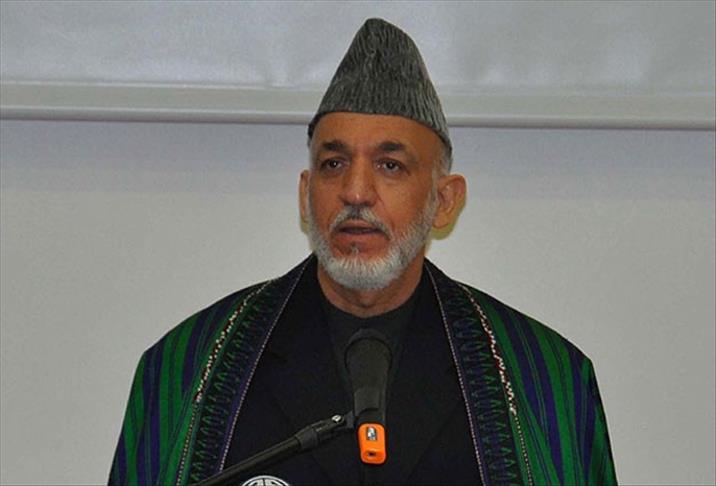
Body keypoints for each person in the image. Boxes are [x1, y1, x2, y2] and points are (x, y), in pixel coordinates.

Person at [109, 18, 616, 486]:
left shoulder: (543, 379)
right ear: (305, 195)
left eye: (390, 166)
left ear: (444, 200)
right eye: (333, 164)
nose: (355, 192)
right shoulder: (190, 367)